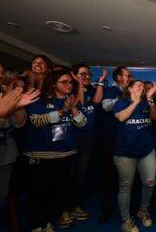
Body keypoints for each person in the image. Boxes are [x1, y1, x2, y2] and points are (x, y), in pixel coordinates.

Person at [22, 70, 86, 232]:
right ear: (53, 84)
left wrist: (71, 109)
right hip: (41, 155)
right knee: (38, 193)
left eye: (70, 82)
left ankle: (48, 222)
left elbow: (81, 123)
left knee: (56, 192)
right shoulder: (39, 99)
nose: (68, 85)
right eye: (64, 82)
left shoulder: (70, 100)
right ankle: (37, 225)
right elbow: (36, 121)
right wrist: (62, 111)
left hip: (65, 154)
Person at [0, 60, 32, 232]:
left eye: (2, 72)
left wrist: (15, 102)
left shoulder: (8, 94)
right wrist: (3, 106)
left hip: (5, 152)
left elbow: (19, 122)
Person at [57, 65, 107, 228]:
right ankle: (63, 209)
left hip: (88, 137)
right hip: (72, 136)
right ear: (74, 75)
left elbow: (97, 101)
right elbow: (79, 103)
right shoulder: (69, 89)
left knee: (80, 174)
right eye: (82, 74)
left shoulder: (90, 89)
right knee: (68, 174)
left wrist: (100, 82)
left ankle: (74, 205)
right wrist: (78, 83)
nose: (86, 76)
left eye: (88, 74)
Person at [113, 80, 156, 232]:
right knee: (126, 186)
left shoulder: (146, 103)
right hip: (125, 153)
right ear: (130, 88)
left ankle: (143, 210)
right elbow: (120, 117)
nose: (141, 88)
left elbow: (155, 118)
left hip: (146, 150)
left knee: (150, 182)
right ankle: (126, 220)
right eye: (138, 85)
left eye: (142, 86)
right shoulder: (121, 102)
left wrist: (150, 100)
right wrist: (135, 102)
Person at [98, 66, 133, 224]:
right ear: (119, 78)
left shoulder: (133, 91)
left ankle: (128, 209)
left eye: (130, 76)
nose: (130, 78)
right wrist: (123, 98)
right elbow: (105, 107)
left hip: (126, 139)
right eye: (127, 75)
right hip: (110, 139)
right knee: (109, 175)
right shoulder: (112, 90)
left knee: (127, 177)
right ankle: (107, 209)